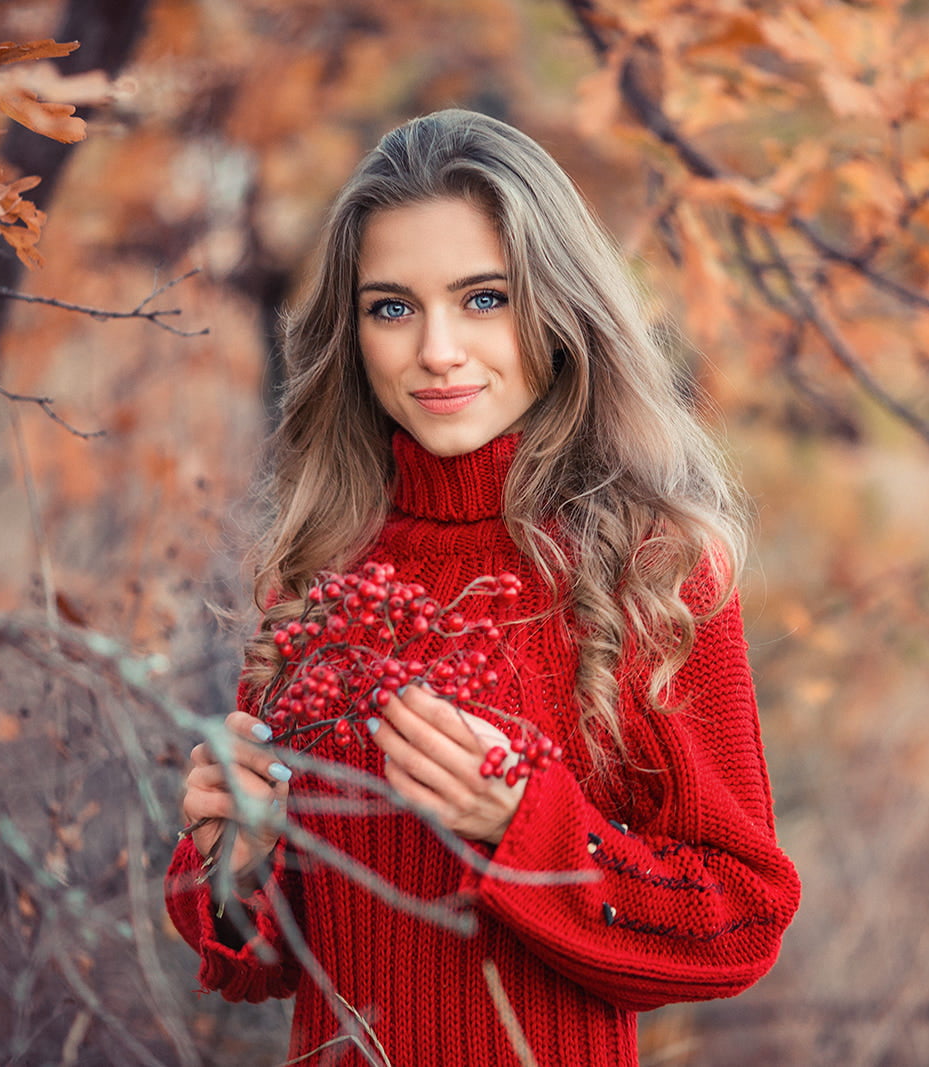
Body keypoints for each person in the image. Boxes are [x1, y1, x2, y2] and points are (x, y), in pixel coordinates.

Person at [166, 109, 800, 1066]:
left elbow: (741, 920)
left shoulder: (651, 566)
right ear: (354, 331)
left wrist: (525, 827)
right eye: (391, 307)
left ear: (555, 306)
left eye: (483, 299)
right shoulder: (321, 568)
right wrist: (230, 854)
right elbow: (264, 956)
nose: (437, 350)